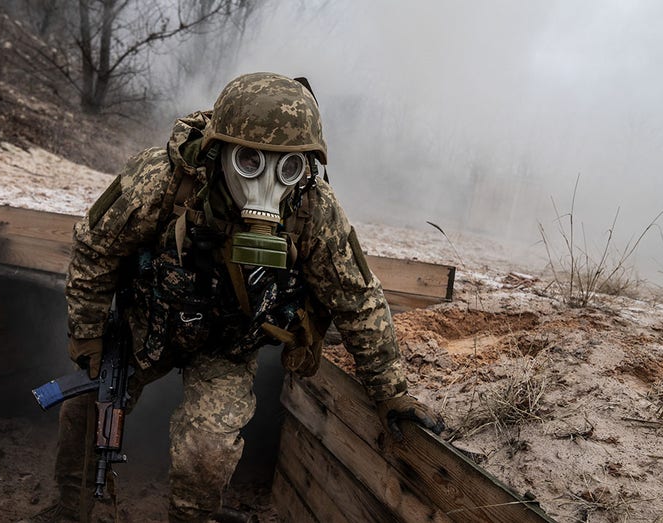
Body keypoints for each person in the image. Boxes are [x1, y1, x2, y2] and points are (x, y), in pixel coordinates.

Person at [48, 72, 443, 522]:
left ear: (306, 168)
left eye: (289, 167)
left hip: (227, 348)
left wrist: (391, 393)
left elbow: (358, 299)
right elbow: (95, 249)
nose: (269, 184)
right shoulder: (161, 180)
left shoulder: (313, 209)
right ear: (219, 152)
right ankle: (71, 510)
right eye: (251, 162)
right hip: (145, 327)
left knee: (208, 452)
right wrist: (88, 338)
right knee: (85, 410)